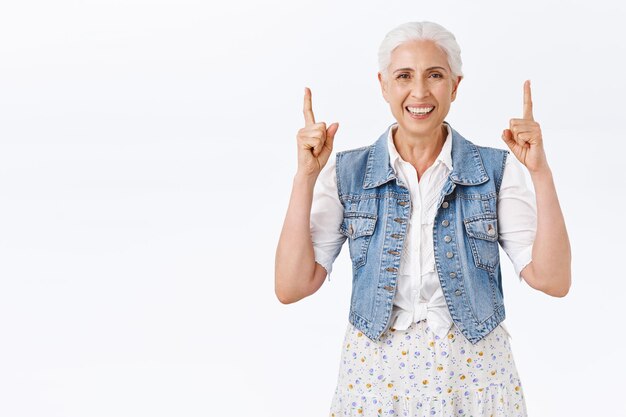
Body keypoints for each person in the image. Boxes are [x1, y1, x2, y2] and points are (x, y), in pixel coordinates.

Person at [275, 21, 571, 417]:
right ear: (383, 85)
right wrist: (305, 178)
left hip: (475, 378)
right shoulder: (347, 173)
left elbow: (553, 280)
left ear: (455, 86)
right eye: (404, 76)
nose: (419, 92)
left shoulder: (493, 170)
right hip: (374, 380)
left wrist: (540, 172)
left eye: (435, 75)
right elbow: (291, 287)